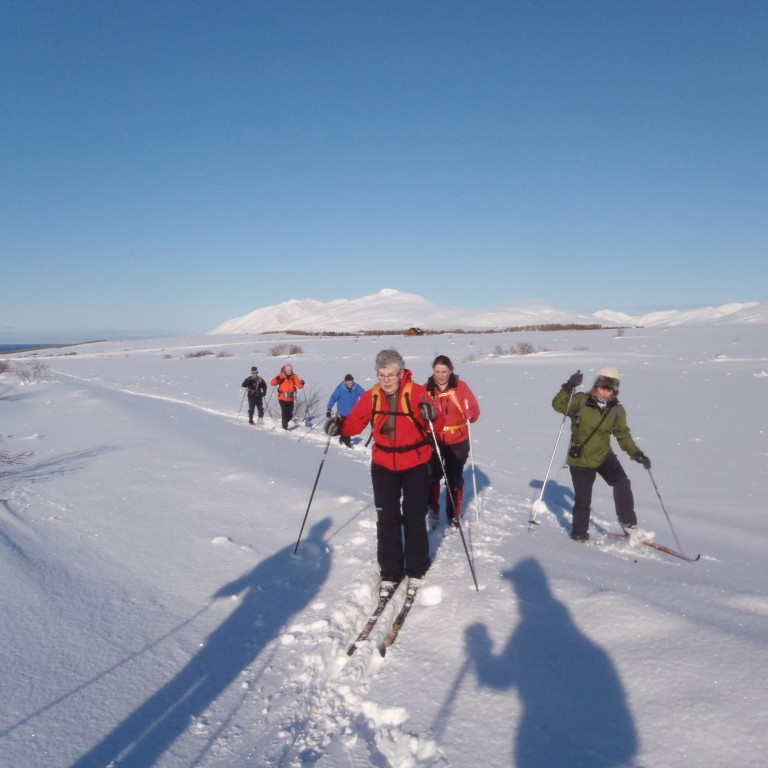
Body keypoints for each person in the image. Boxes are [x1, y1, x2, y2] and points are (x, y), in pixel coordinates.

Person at [325, 349, 444, 595]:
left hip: (415, 462)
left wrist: (431, 414)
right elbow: (355, 422)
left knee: (413, 515)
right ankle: (390, 571)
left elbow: (436, 421)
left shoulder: (416, 393)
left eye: (391, 374)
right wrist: (338, 427)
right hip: (383, 465)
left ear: (400, 373)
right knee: (387, 516)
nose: (386, 380)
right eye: (382, 375)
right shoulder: (372, 397)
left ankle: (417, 567)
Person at [552, 367, 651, 542]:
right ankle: (579, 535)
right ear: (596, 385)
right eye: (603, 388)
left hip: (604, 454)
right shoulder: (580, 401)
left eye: (610, 390)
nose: (606, 393)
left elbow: (623, 434)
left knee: (622, 482)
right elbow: (558, 405)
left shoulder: (617, 409)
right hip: (581, 458)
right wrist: (568, 386)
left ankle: (629, 524)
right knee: (584, 500)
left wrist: (636, 453)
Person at [424, 355, 480, 528]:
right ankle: (432, 510)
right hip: (434, 437)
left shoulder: (460, 387)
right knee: (431, 476)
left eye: (444, 371)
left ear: (451, 371)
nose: (440, 375)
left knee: (453, 477)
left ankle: (453, 513)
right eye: (437, 371)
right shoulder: (426, 389)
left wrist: (471, 413)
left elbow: (474, 408)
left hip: (457, 438)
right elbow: (418, 412)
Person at [326, 373, 365, 447]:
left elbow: (364, 395)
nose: (350, 384)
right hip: (342, 412)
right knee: (345, 428)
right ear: (345, 382)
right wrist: (329, 408)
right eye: (348, 382)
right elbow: (333, 398)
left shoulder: (357, 387)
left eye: (351, 382)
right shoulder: (340, 388)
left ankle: (343, 440)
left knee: (349, 428)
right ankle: (345, 442)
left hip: (353, 412)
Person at [270, 363, 304, 430]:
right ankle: (284, 427)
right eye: (288, 370)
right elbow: (272, 383)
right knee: (285, 412)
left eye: (290, 370)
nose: (289, 371)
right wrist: (277, 379)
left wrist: (302, 383)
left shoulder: (294, 376)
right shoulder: (281, 375)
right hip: (282, 397)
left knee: (290, 414)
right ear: (285, 370)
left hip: (290, 398)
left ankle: (285, 423)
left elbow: (299, 386)